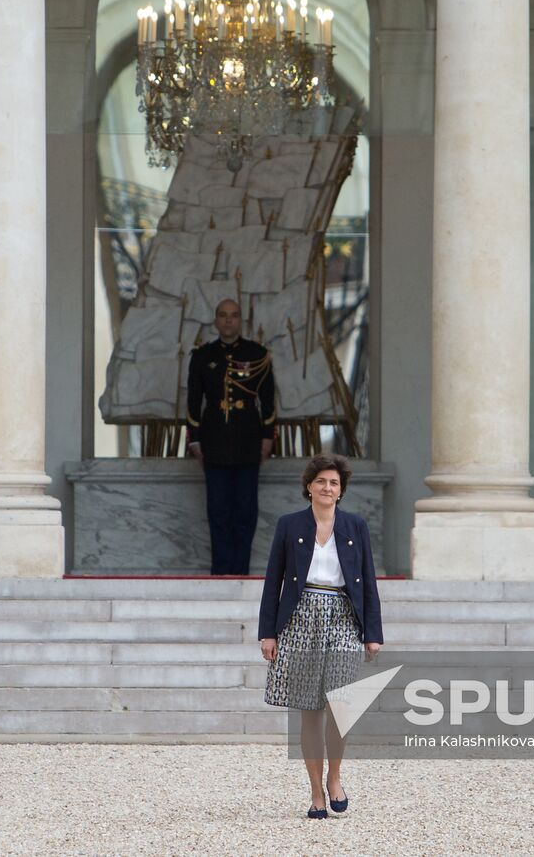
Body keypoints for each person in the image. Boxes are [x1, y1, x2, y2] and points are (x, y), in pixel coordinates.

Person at [258, 454, 384, 819]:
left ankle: (335, 777)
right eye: (321, 482)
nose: (327, 488)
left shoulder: (355, 526)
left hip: (343, 615)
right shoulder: (289, 525)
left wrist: (372, 633)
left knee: (340, 704)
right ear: (309, 487)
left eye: (334, 483)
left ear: (341, 491)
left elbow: (368, 579)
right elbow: (273, 582)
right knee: (310, 709)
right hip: (300, 619)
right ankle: (315, 792)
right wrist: (269, 633)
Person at [186, 298, 275, 575]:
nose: (228, 320)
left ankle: (241, 570)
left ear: (240, 320)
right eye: (223, 315)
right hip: (214, 442)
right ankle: (221, 571)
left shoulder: (257, 353)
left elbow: (268, 401)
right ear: (215, 320)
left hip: (248, 442)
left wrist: (267, 437)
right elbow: (192, 402)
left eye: (233, 315)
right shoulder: (202, 356)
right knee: (218, 511)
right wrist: (195, 440)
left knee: (245, 512)